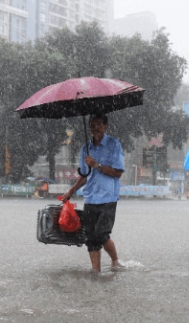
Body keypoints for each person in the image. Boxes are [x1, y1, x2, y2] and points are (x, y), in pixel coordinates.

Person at [61, 113, 124, 273]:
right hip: (90, 198)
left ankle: (115, 261)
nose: (95, 128)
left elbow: (118, 172)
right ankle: (96, 271)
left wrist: (97, 165)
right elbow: (84, 175)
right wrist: (71, 190)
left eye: (98, 125)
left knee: (101, 233)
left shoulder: (114, 145)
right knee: (90, 237)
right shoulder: (86, 149)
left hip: (108, 197)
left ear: (105, 126)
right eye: (92, 125)